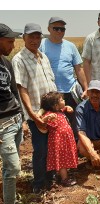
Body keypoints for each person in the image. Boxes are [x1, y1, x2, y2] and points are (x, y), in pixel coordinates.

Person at [12, 23, 57, 194]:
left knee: (51, 145)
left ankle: (50, 176)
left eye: (38, 36)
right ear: (23, 37)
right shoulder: (19, 60)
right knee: (40, 149)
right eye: (31, 36)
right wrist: (31, 114)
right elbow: (22, 88)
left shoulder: (43, 57)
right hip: (36, 113)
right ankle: (38, 182)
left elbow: (51, 82)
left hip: (51, 111)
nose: (34, 40)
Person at [40, 16, 88, 140]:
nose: (60, 31)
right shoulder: (42, 45)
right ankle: (58, 149)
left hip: (70, 91)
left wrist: (86, 88)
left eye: (62, 29)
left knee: (74, 121)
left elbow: (79, 69)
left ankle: (75, 148)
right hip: (52, 93)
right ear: (49, 29)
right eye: (56, 28)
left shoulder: (70, 46)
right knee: (55, 123)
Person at [0, 23, 31, 204]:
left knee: (9, 170)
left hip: (16, 120)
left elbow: (13, 92)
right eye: (10, 41)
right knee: (13, 167)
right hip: (2, 125)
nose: (13, 46)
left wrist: (23, 118)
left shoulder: (7, 63)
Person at [39, 92, 78, 187]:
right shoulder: (50, 115)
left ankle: (63, 175)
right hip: (59, 141)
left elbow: (64, 108)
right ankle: (64, 179)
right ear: (55, 105)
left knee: (64, 157)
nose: (64, 101)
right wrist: (46, 118)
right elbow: (41, 122)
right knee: (61, 160)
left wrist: (67, 107)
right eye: (61, 100)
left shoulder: (59, 111)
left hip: (64, 140)